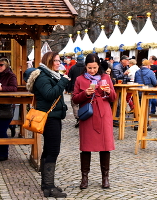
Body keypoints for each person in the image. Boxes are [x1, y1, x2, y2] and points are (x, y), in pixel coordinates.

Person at [23, 52, 69, 198]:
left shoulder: (51, 75)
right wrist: (62, 82)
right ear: (48, 62)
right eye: (55, 61)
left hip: (54, 116)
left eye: (59, 60)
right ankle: (48, 186)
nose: (58, 63)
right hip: (49, 118)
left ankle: (46, 185)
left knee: (49, 149)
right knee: (53, 150)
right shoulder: (43, 76)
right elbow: (49, 95)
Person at [72, 54, 117, 190]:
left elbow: (114, 98)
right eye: (89, 68)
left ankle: (105, 177)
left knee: (105, 146)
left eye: (94, 68)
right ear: (85, 66)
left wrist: (109, 92)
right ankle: (84, 177)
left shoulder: (106, 78)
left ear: (99, 66)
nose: (92, 70)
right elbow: (74, 99)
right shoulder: (80, 79)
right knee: (86, 146)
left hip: (103, 114)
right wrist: (85, 93)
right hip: (88, 115)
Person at [68, 54, 86, 128]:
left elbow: (69, 79)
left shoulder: (73, 68)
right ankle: (83, 116)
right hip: (84, 88)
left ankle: (78, 117)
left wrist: (68, 89)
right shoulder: (86, 68)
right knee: (83, 103)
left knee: (75, 104)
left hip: (74, 88)